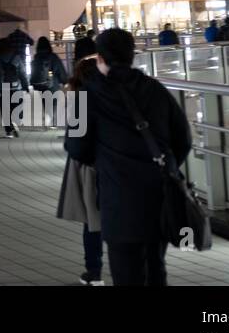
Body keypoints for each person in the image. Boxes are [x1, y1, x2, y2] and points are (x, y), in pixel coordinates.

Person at [64, 28, 191, 286]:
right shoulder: (155, 89)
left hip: (117, 196)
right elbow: (183, 139)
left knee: (126, 270)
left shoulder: (85, 97)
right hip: (159, 194)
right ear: (132, 55)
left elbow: (76, 148)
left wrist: (103, 159)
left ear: (100, 58)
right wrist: (165, 166)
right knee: (156, 266)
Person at [57, 51, 104, 285]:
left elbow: (72, 143)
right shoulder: (120, 94)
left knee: (93, 221)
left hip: (93, 168)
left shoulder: (81, 100)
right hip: (124, 167)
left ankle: (94, 272)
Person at [29, 36, 68, 126]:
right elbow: (60, 70)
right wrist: (64, 81)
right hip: (52, 83)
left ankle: (48, 116)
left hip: (39, 83)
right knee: (54, 100)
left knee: (45, 100)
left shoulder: (36, 57)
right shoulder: (53, 56)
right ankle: (51, 119)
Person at [0, 37, 28, 136]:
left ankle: (9, 131)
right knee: (17, 107)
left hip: (2, 88)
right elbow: (22, 73)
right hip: (16, 87)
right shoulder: (16, 58)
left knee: (5, 110)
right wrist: (26, 86)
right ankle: (16, 120)